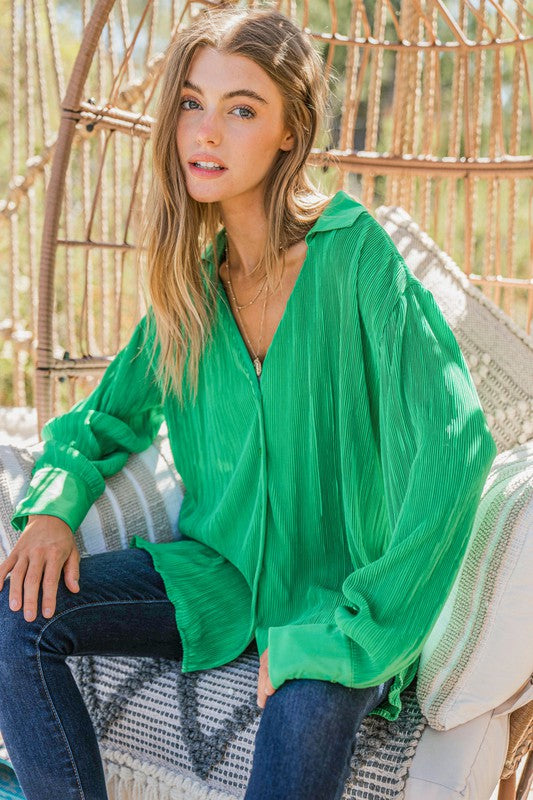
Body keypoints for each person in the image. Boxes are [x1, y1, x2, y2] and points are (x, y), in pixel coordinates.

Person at [0, 5, 498, 800]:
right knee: (20, 616)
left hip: (336, 603)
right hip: (215, 577)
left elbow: (457, 441)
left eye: (241, 110)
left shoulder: (352, 254)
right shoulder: (191, 285)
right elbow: (104, 418)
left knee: (300, 713)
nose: (205, 132)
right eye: (191, 103)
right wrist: (54, 510)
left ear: (288, 130)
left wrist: (362, 624)